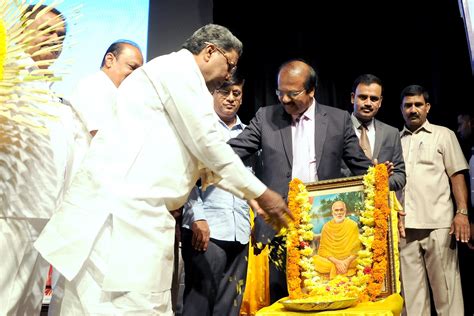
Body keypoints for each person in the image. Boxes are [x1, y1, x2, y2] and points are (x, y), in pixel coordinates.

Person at [34, 24, 290, 315]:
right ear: (209, 51)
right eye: (229, 64)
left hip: (136, 216)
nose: (228, 75)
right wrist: (260, 192)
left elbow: (201, 157)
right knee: (124, 306)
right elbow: (207, 143)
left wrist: (248, 195)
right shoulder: (178, 71)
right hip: (123, 218)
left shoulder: (176, 76)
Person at [228, 59, 372, 302]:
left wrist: (382, 177)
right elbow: (232, 152)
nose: (284, 100)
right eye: (280, 92)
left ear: (312, 90)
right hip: (280, 224)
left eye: (292, 93)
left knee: (326, 297)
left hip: (324, 227)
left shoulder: (339, 120)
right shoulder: (265, 117)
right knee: (283, 299)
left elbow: (362, 168)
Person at [0, 4, 89, 316]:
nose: (55, 41)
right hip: (11, 213)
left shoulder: (51, 92)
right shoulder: (7, 78)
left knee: (28, 305)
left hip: (44, 214)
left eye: (61, 35)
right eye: (47, 31)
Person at [181, 74, 251, 316]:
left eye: (237, 93)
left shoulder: (250, 132)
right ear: (212, 94)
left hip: (240, 231)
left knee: (230, 307)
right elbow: (186, 176)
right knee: (198, 307)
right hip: (207, 230)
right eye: (225, 92)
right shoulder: (201, 128)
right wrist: (196, 217)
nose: (231, 98)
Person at [397, 84, 470, 315]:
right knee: (411, 296)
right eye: (408, 105)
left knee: (446, 294)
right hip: (404, 228)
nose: (413, 109)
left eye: (418, 104)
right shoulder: (394, 140)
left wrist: (462, 213)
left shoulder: (443, 135)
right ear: (401, 109)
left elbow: (456, 175)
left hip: (439, 225)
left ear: (427, 107)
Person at [342, 74, 405, 191]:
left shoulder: (391, 133)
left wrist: (381, 180)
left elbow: (400, 177)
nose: (368, 103)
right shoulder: (337, 130)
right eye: (363, 97)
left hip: (380, 207)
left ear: (380, 102)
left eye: (374, 99)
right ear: (352, 98)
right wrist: (371, 177)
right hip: (345, 205)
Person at [70, 40, 144, 136]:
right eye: (132, 67)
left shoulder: (117, 94)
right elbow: (101, 136)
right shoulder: (93, 86)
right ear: (110, 60)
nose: (136, 75)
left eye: (140, 71)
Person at [313, 201, 361, 279]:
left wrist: (346, 262)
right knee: (315, 261)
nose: (339, 212)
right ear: (332, 212)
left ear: (345, 211)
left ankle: (336, 268)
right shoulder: (326, 227)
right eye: (336, 210)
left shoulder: (352, 225)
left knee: (360, 260)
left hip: (349, 260)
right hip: (332, 261)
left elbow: (356, 249)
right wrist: (338, 263)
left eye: (341, 210)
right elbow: (323, 250)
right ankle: (341, 268)